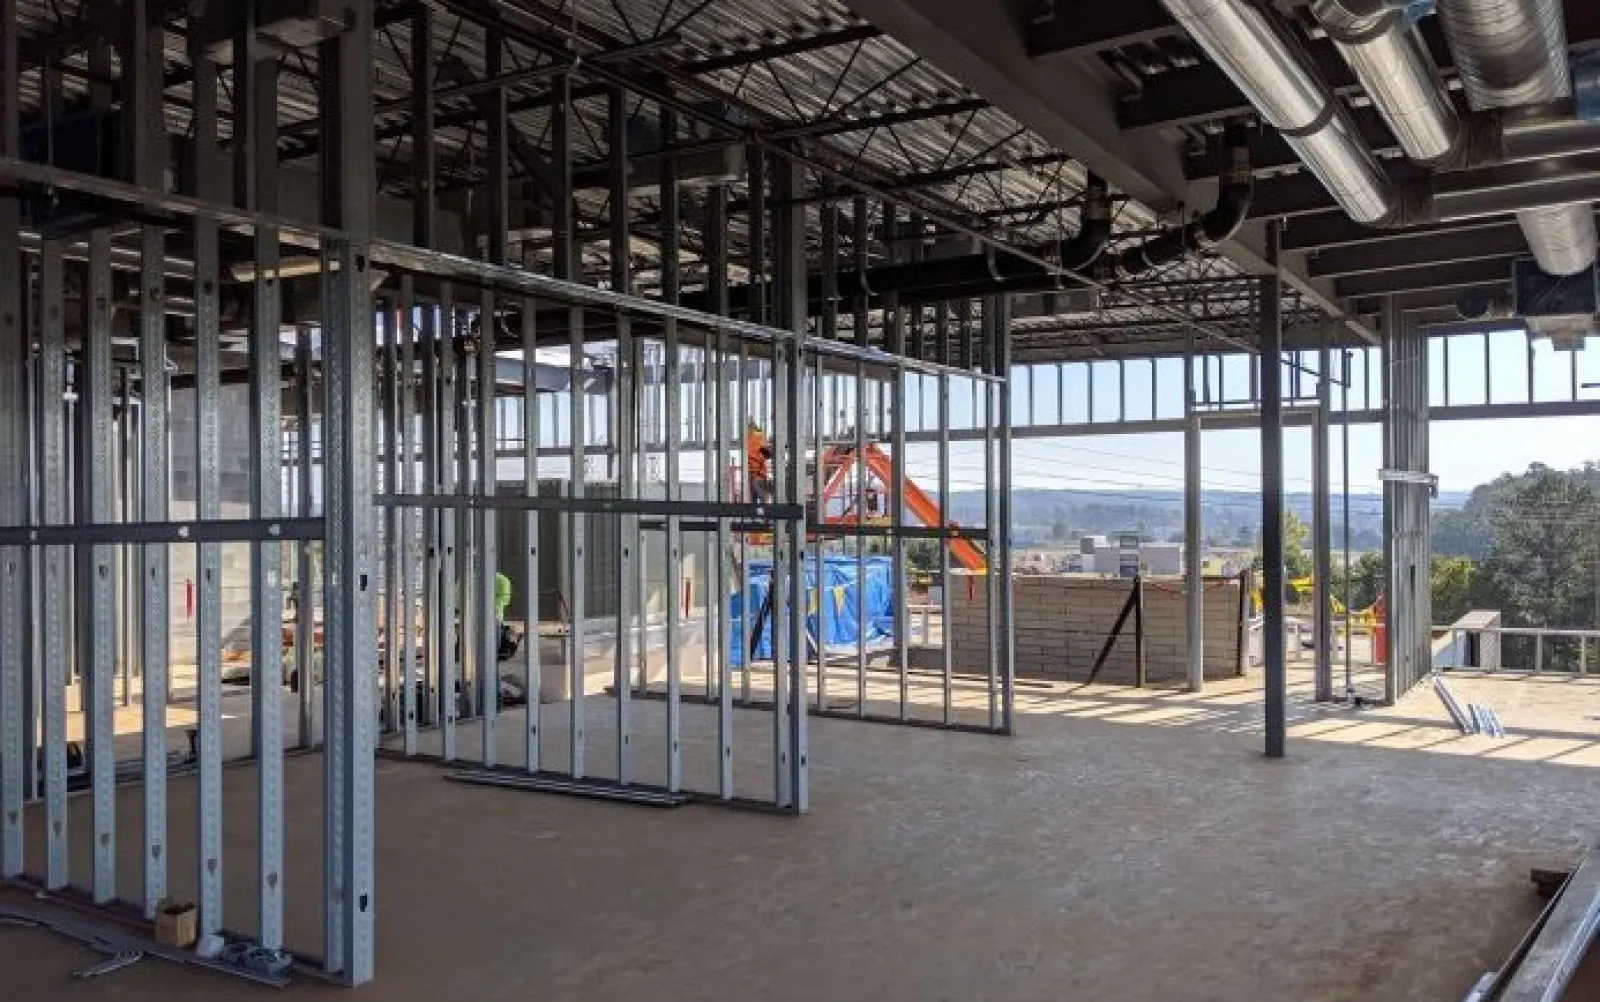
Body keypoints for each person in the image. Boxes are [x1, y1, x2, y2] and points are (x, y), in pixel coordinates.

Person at [745, 420, 775, 503]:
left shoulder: (748, 441)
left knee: (753, 503)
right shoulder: (758, 439)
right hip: (759, 476)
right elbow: (766, 454)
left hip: (751, 475)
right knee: (764, 502)